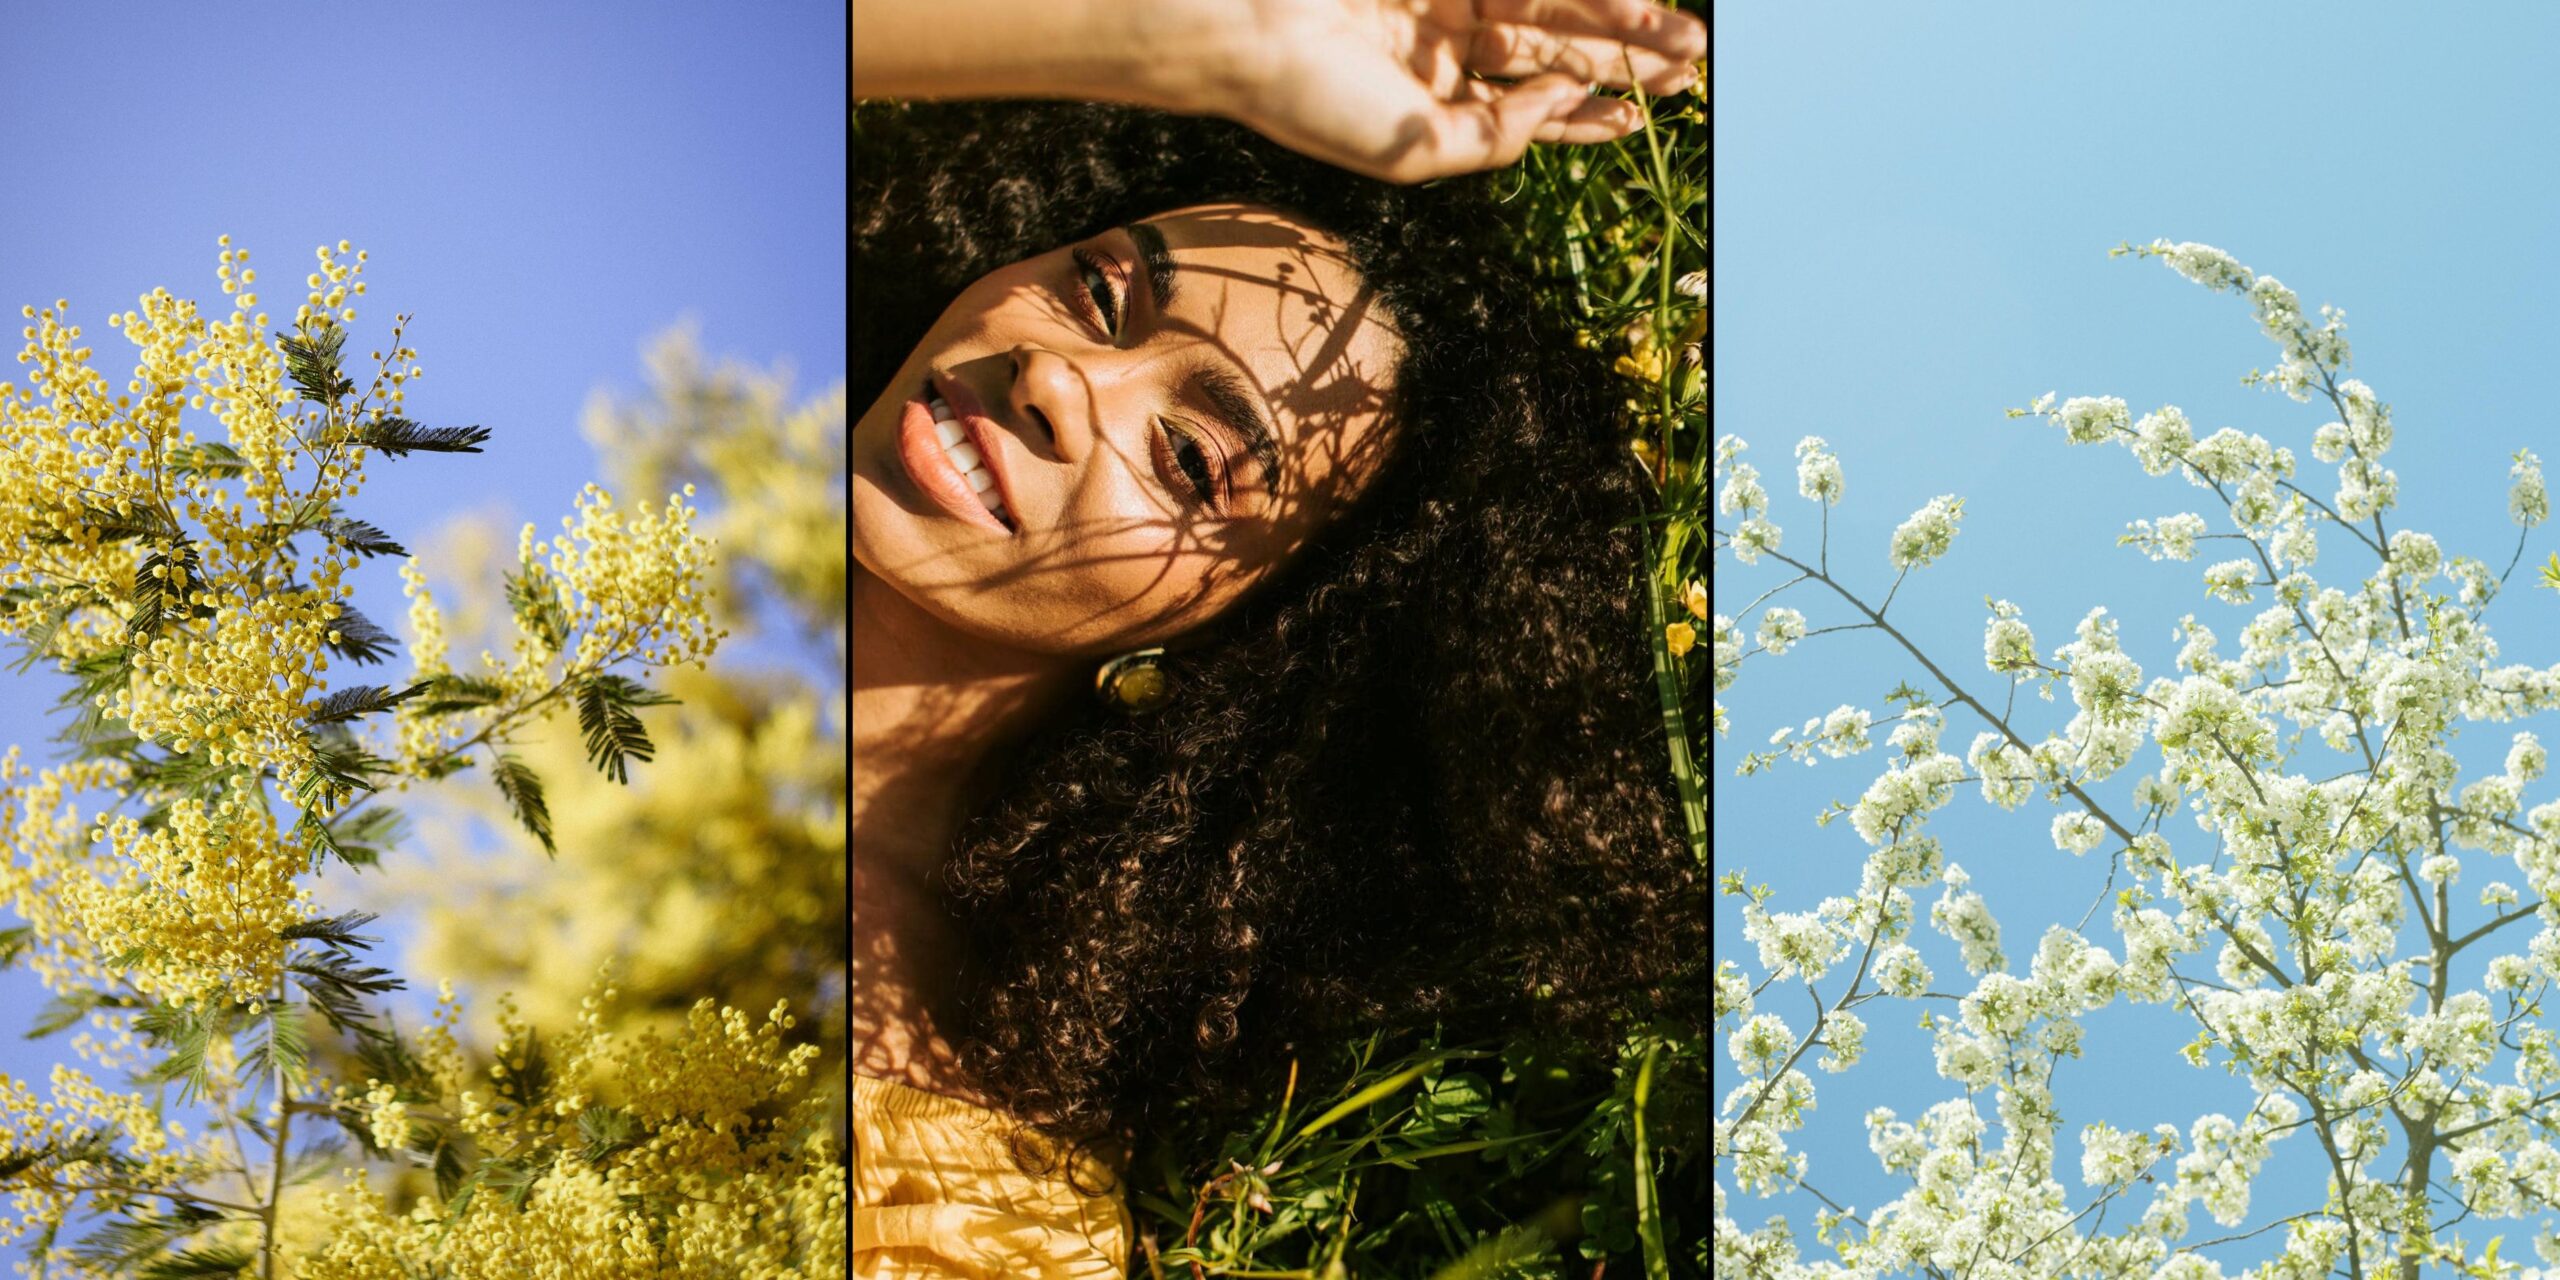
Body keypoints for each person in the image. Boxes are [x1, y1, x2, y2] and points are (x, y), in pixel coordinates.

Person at [851, 2, 1707, 1275]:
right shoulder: (618, 334)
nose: (1059, 377)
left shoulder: (969, 1208)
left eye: (1191, 458)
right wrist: (1213, 38)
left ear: (1230, 645)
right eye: (1098, 290)